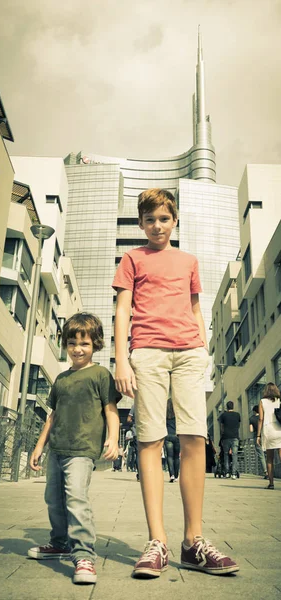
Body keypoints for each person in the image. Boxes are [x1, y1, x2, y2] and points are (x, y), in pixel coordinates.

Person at [112, 188, 239, 577]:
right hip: (147, 353)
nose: (157, 225)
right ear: (140, 223)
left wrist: (203, 348)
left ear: (175, 220)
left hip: (188, 353)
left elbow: (196, 306)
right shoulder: (132, 258)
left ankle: (193, 542)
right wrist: (121, 360)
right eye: (149, 219)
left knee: (194, 437)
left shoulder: (189, 260)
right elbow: (121, 310)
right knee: (150, 439)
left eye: (163, 218)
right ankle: (157, 542)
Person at [28, 312, 121, 585]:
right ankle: (59, 543)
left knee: (76, 498)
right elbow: (52, 415)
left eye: (84, 344)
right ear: (65, 345)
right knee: (53, 500)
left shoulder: (101, 374)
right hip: (56, 449)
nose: (77, 349)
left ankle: (84, 555)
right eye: (72, 343)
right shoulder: (61, 379)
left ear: (95, 345)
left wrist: (113, 438)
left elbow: (110, 408)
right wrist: (39, 446)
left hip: (82, 450)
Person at [257, 382, 281, 490]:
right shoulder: (279, 400)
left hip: (268, 430)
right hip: (279, 429)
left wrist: (258, 435)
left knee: (269, 459)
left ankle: (271, 484)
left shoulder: (262, 402)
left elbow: (261, 419)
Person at [220, 401, 240, 480]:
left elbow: (222, 427)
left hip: (226, 437)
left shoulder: (223, 415)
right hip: (235, 436)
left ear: (226, 407)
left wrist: (222, 435)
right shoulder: (237, 415)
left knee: (226, 454)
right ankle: (234, 474)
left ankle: (227, 472)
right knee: (234, 455)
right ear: (233, 406)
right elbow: (238, 425)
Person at [249, 405, 268, 479]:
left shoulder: (251, 418)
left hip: (257, 437)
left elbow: (251, 430)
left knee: (261, 455)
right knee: (269, 454)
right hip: (266, 436)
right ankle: (271, 471)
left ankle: (266, 472)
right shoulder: (264, 417)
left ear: (254, 411)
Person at [164, 398, 180, 482]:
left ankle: (172, 475)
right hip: (176, 436)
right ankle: (177, 475)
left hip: (167, 436)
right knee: (176, 456)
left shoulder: (164, 415)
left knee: (169, 456)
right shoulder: (177, 415)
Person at [127, 404, 139, 480]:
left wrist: (133, 424)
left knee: (138, 455)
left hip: (137, 433)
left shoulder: (135, 406)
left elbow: (128, 419)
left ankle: (140, 474)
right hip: (148, 433)